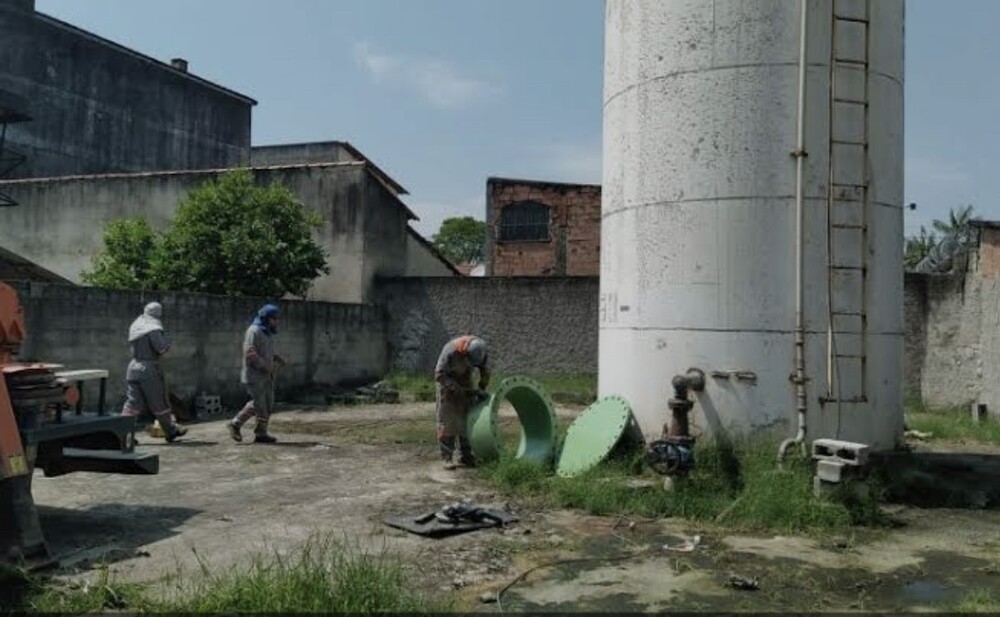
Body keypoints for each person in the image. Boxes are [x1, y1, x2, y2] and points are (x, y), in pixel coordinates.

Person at [121, 302, 187, 442]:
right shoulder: (152, 328)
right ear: (158, 313)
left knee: (132, 404)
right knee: (159, 402)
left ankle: (124, 434)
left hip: (133, 367)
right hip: (148, 369)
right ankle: (170, 431)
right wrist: (168, 340)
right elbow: (161, 348)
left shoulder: (136, 324)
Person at [228, 304, 284, 444]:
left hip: (266, 376)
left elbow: (264, 351)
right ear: (267, 318)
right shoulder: (254, 331)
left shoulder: (267, 332)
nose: (276, 321)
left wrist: (275, 358)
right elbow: (250, 353)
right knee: (260, 405)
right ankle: (235, 424)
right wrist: (266, 365)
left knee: (267, 404)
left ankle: (261, 433)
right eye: (274, 319)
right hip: (255, 376)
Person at [434, 335, 490, 469]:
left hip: (465, 378)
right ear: (465, 353)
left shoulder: (480, 352)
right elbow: (439, 375)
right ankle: (447, 457)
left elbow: (484, 371)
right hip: (447, 380)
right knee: (448, 420)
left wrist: (481, 388)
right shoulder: (450, 351)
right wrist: (459, 391)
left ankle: (466, 456)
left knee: (467, 417)